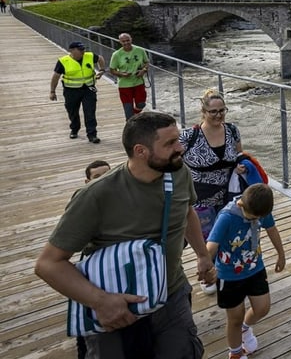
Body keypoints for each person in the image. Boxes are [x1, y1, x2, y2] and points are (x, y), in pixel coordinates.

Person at [35, 111, 214, 359]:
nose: (181, 148)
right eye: (170, 143)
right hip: (118, 307)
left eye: (178, 140)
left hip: (171, 295)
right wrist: (100, 301)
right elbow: (47, 264)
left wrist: (203, 255)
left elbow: (186, 212)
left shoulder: (178, 172)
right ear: (141, 151)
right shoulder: (97, 195)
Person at [206, 183, 285, 359]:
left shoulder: (260, 210)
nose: (255, 220)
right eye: (252, 217)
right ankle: (235, 353)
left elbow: (271, 229)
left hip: (254, 267)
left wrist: (281, 254)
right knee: (235, 317)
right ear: (241, 205)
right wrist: (206, 266)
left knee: (262, 308)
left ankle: (245, 328)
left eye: (259, 217)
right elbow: (211, 245)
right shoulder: (227, 217)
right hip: (228, 275)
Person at [179, 89, 245, 242]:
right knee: (208, 246)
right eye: (213, 111)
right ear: (203, 111)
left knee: (228, 242)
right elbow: (171, 161)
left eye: (222, 110)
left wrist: (239, 167)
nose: (219, 115)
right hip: (200, 201)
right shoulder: (189, 136)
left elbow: (239, 155)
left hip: (228, 198)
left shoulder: (232, 130)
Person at [77, 160, 111, 359]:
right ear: (86, 181)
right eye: (97, 177)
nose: (104, 180)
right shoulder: (83, 204)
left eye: (108, 174)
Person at [49, 41, 106, 143]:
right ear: (72, 50)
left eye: (83, 49)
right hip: (71, 91)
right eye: (80, 50)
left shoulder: (90, 56)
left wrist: (102, 70)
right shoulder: (63, 61)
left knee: (90, 112)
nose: (83, 51)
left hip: (88, 89)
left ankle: (92, 135)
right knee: (73, 112)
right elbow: (55, 77)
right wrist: (52, 91)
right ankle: (74, 129)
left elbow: (100, 58)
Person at [109, 33, 149, 120]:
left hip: (138, 82)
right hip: (124, 85)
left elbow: (146, 62)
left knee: (141, 104)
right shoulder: (116, 54)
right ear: (120, 42)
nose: (126, 43)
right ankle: (130, 125)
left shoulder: (140, 50)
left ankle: (134, 114)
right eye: (123, 41)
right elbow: (112, 70)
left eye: (128, 40)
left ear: (131, 39)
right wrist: (122, 74)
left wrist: (144, 70)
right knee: (128, 111)